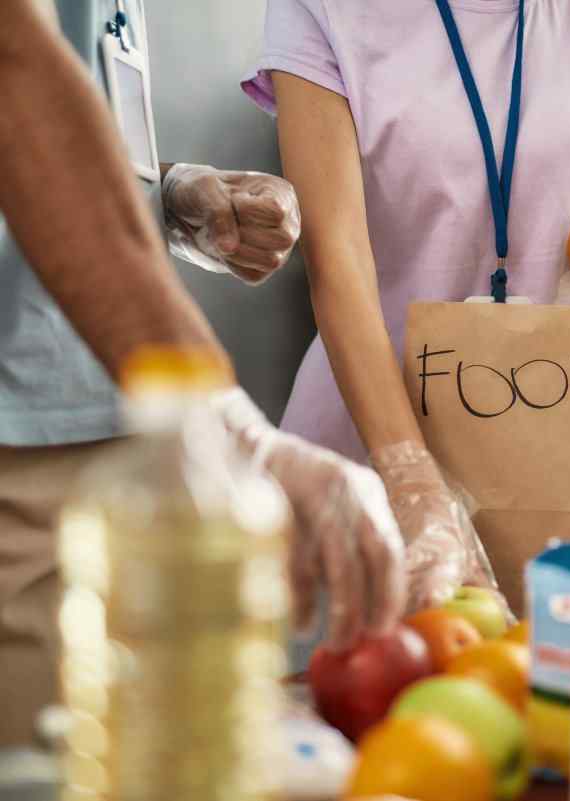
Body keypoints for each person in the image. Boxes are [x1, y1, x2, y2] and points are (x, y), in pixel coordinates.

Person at [0, 0, 406, 748]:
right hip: (21, 437)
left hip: (109, 413)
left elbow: (69, 91)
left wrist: (167, 197)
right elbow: (13, 70)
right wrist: (232, 427)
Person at [241, 0, 570, 606]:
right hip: (373, 439)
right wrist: (413, 482)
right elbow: (338, 263)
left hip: (541, 432)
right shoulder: (325, 9)